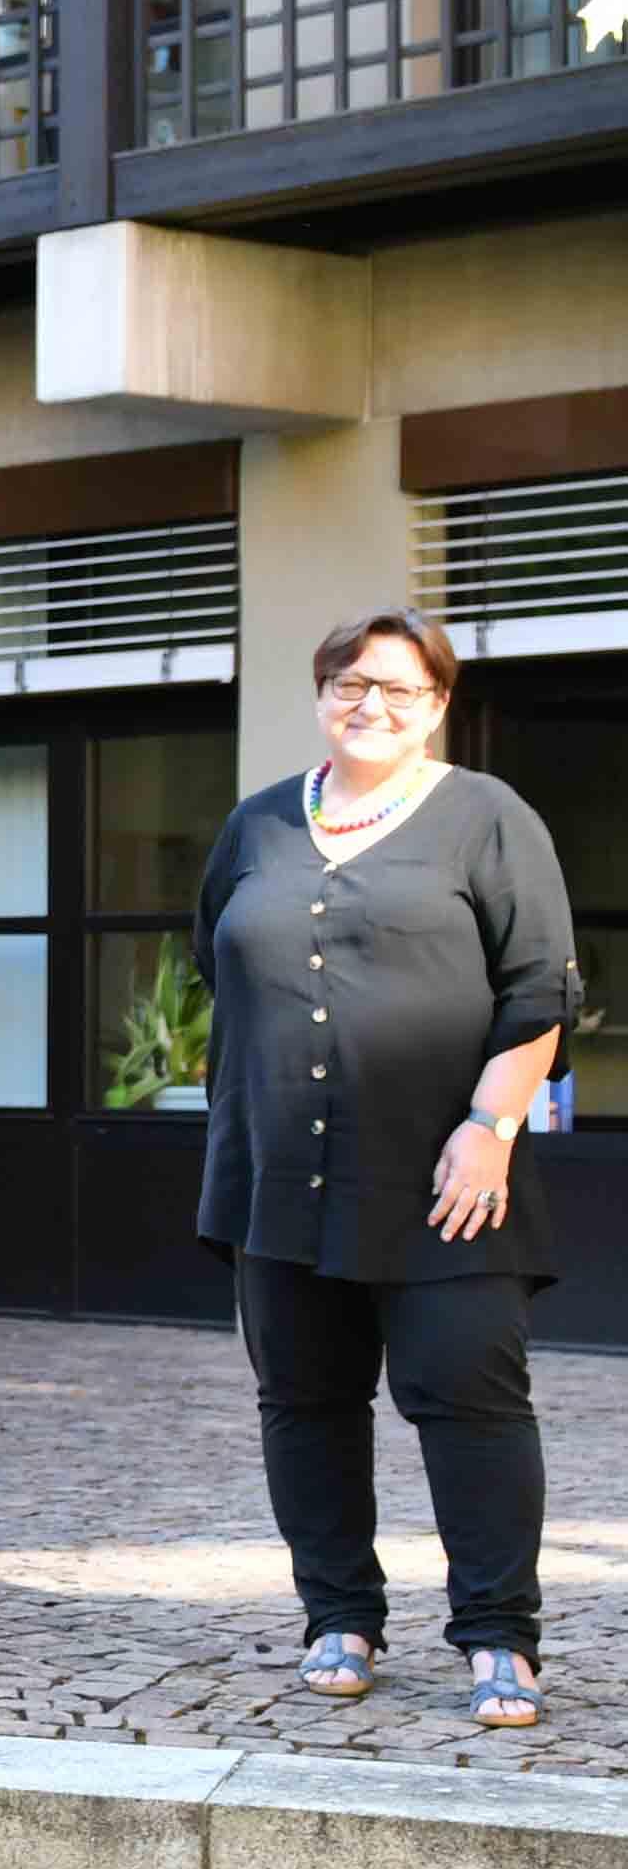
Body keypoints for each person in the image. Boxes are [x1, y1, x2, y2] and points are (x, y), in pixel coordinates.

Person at [198, 608, 575, 1730]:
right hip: (279, 1173)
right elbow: (221, 964)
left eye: (398, 689)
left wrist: (488, 1126)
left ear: (435, 704)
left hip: (446, 1175)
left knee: (466, 1397)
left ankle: (498, 1635)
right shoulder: (256, 823)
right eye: (349, 683)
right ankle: (338, 1618)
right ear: (319, 692)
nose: (371, 704)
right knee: (304, 1402)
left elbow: (536, 988)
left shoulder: (484, 817)